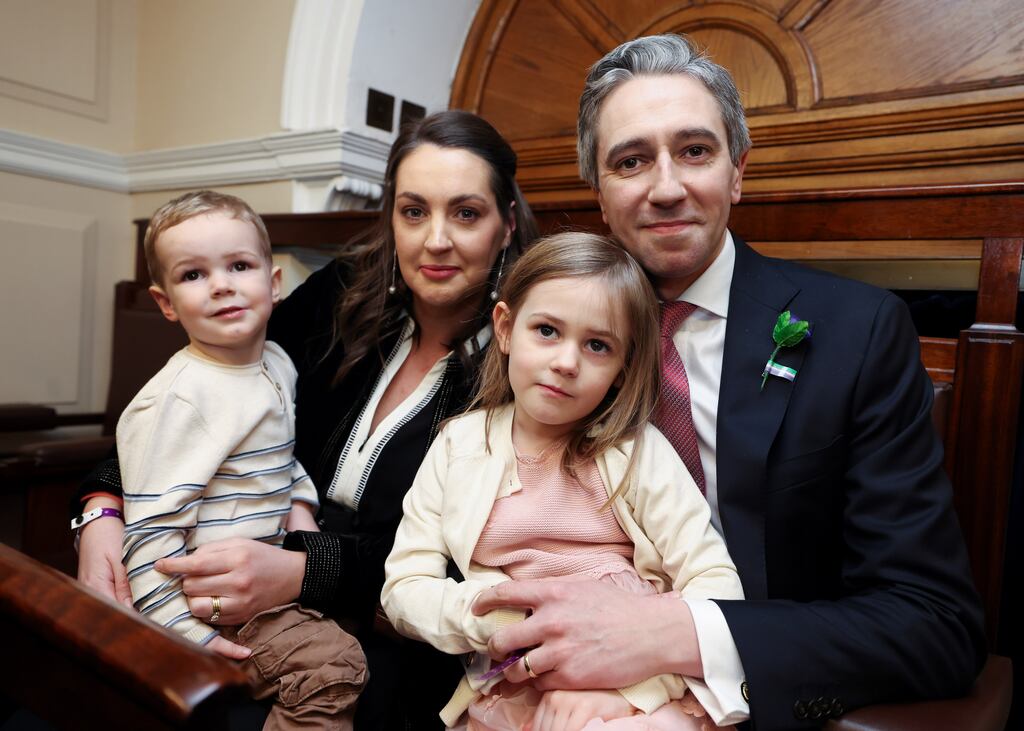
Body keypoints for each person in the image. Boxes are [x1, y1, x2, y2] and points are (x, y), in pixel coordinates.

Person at [472, 34, 987, 730]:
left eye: (694, 151)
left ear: (736, 173)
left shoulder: (856, 333)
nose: (666, 187)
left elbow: (935, 622)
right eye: (631, 161)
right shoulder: (551, 342)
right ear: (599, 194)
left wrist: (673, 631)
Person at [72, 110, 539, 729]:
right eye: (414, 211)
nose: (435, 240)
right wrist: (103, 506)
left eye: (466, 213)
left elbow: (471, 564)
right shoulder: (340, 297)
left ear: (506, 225)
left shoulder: (531, 360)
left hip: (390, 643)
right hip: (217, 592)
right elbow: (208, 392)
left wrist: (303, 572)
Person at [382, 232, 742, 731]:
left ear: (621, 368)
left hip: (639, 683)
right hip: (515, 684)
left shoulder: (637, 453)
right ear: (506, 329)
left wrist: (635, 693)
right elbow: (404, 589)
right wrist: (503, 619)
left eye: (598, 345)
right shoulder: (459, 446)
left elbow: (717, 584)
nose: (566, 362)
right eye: (547, 330)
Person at [114, 190, 366, 729]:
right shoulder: (179, 400)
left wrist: (299, 505)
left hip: (265, 573)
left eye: (239, 265)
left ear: (274, 285)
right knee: (333, 667)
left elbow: (279, 454)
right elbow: (149, 538)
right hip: (200, 602)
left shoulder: (277, 362)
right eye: (193, 275)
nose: (222, 284)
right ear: (165, 303)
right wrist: (190, 639)